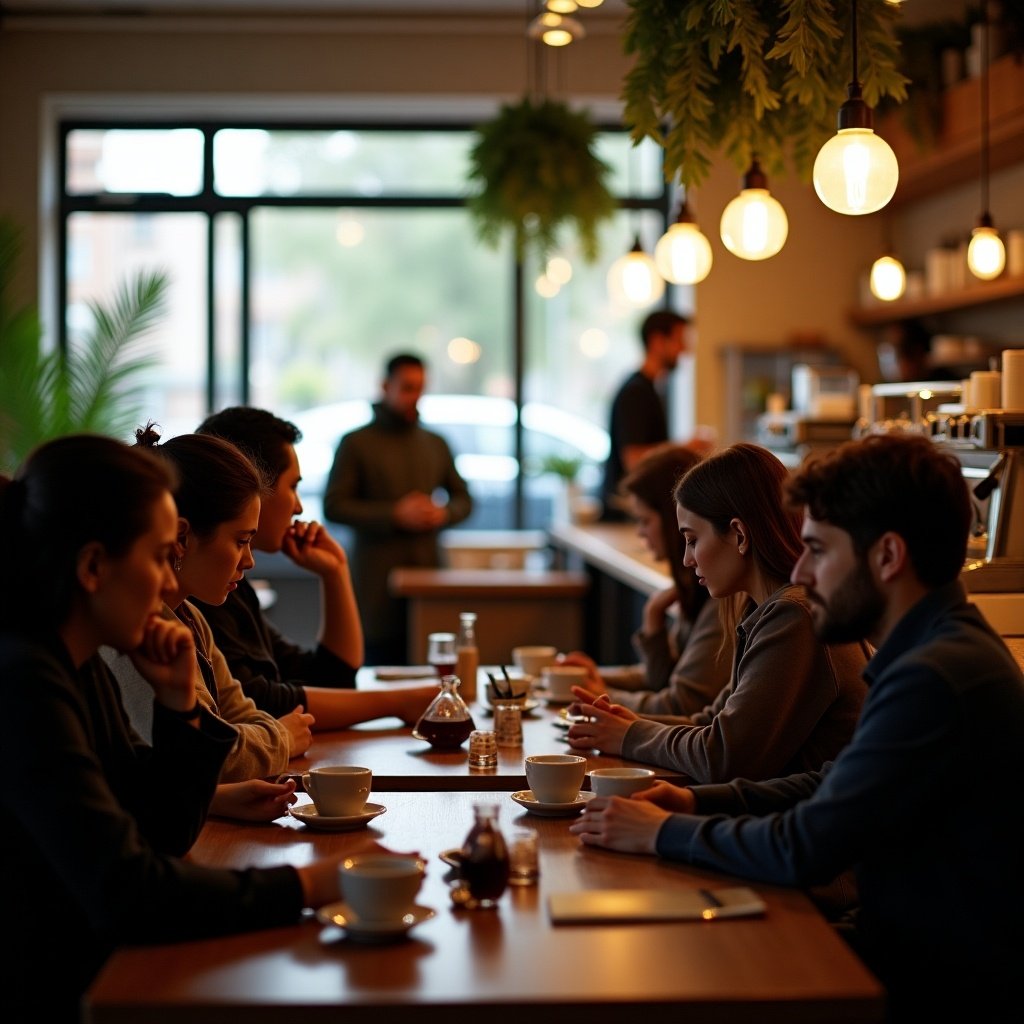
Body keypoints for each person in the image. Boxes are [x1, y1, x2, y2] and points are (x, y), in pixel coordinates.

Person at [569, 433, 1024, 1021]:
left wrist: (660, 833)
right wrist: (690, 800)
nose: (802, 571)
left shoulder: (935, 676)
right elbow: (829, 781)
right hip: (906, 945)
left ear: (886, 557)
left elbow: (803, 846)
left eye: (818, 549)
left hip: (926, 978)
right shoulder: (935, 649)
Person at [0, 437, 357, 1022]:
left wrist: (178, 704)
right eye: (159, 557)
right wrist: (308, 886)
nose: (170, 586)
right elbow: (129, 892)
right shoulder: (24, 684)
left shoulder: (78, 664)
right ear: (93, 566)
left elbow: (158, 829)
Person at [566, 443, 871, 785]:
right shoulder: (765, 609)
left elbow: (724, 757)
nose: (687, 559)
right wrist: (626, 724)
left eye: (693, 540)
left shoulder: (794, 616)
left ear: (739, 535)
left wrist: (629, 734)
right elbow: (713, 721)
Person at [194, 406, 437, 729]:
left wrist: (334, 572)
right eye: (292, 486)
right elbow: (259, 704)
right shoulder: (200, 594)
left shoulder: (235, 589)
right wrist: (396, 702)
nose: (298, 506)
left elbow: (331, 678)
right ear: (251, 487)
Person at [109, 426, 312, 782]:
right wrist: (281, 737)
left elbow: (242, 714)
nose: (248, 561)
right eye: (240, 541)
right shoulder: (139, 631)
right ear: (182, 536)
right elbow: (213, 756)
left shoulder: (191, 617)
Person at [323, 353, 473, 663]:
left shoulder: (435, 443)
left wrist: (443, 513)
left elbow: (464, 499)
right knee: (377, 671)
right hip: (375, 583)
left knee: (432, 669)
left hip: (428, 577)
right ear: (384, 386)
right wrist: (394, 515)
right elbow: (334, 506)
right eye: (406, 387)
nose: (414, 396)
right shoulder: (356, 443)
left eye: (419, 388)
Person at [561, 443, 732, 715]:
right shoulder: (697, 586)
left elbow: (680, 704)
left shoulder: (723, 597)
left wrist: (598, 693)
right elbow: (662, 680)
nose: (640, 533)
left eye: (644, 521)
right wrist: (593, 678)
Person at [600, 310, 688, 521]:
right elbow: (634, 458)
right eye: (679, 340)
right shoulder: (637, 392)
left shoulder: (647, 389)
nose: (685, 349)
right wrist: (685, 449)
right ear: (657, 341)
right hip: (626, 513)